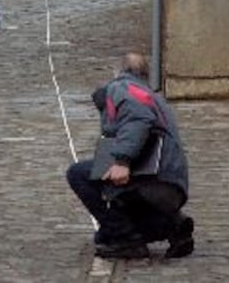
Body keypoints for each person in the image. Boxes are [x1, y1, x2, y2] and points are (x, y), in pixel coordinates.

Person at [67, 53, 194, 259]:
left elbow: (138, 118)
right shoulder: (152, 95)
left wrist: (122, 160)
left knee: (78, 174)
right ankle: (173, 225)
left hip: (153, 178)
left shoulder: (123, 87)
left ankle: (127, 240)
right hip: (172, 183)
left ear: (119, 71)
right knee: (103, 237)